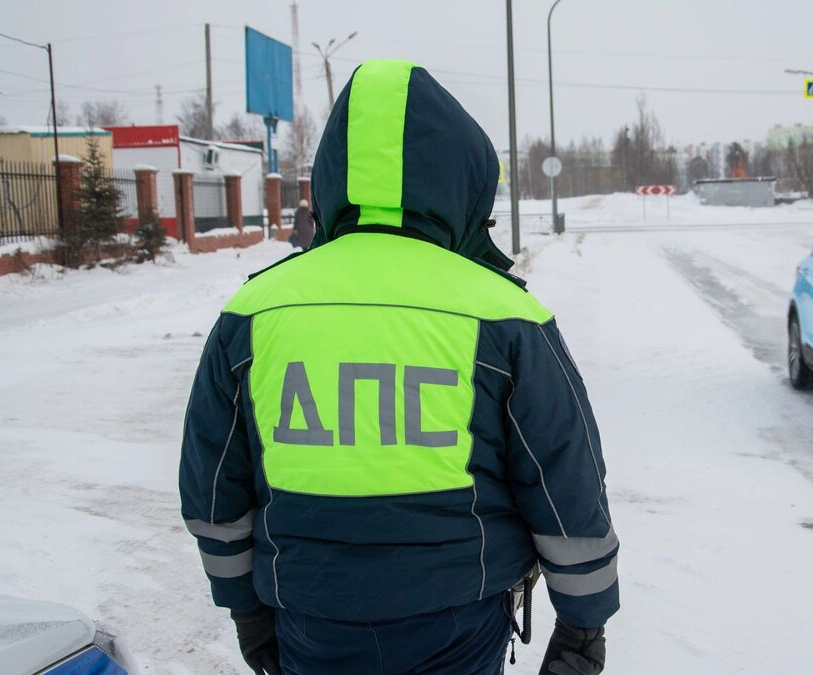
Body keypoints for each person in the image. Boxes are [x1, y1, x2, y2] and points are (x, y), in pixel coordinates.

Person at [180, 59, 619, 675]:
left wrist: (245, 611)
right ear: (462, 179)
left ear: (331, 178)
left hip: (311, 619)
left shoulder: (255, 310)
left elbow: (214, 483)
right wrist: (583, 622)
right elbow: (563, 480)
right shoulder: (502, 312)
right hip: (459, 621)